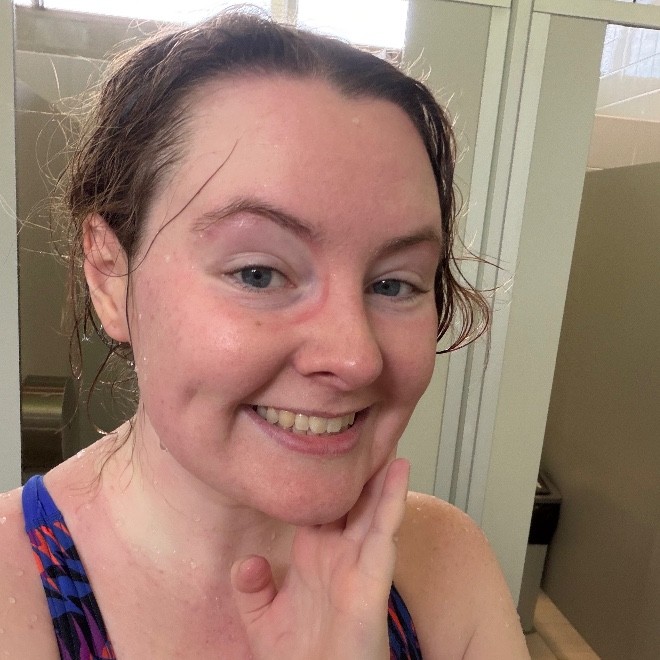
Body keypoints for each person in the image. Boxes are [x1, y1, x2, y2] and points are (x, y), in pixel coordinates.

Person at [0, 10, 529, 659]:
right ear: (110, 274)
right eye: (258, 273)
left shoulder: (446, 563)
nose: (356, 358)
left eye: (394, 284)